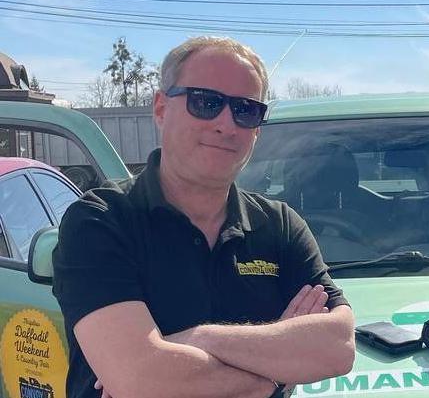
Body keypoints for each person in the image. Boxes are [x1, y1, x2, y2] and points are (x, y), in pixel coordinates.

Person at [52, 36, 355, 398]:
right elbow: (141, 381)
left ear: (256, 129)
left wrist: (197, 338)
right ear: (161, 108)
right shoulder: (100, 221)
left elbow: (337, 345)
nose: (226, 124)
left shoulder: (280, 226)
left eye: (245, 110)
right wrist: (275, 373)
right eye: (206, 102)